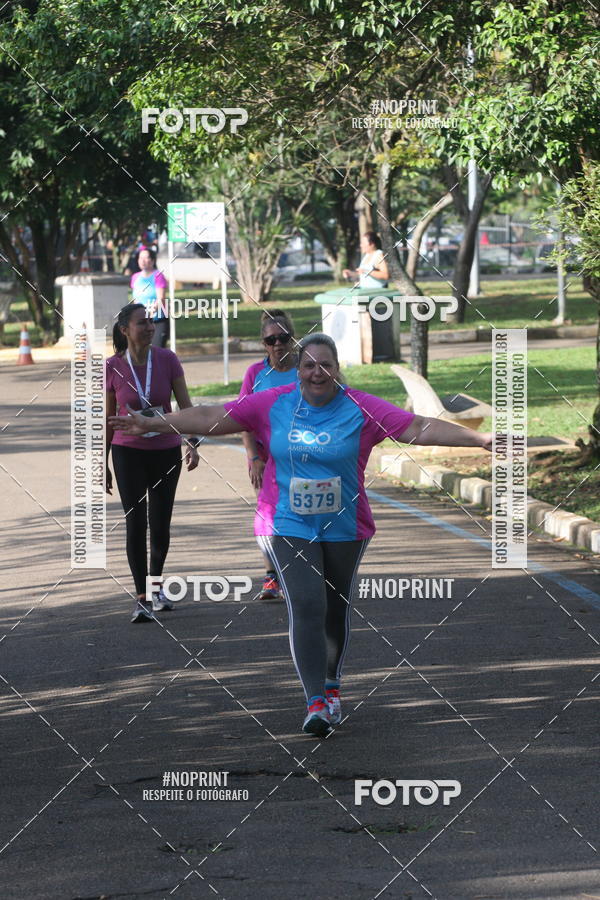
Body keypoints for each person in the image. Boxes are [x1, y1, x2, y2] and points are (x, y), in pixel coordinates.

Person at [110, 333, 492, 733]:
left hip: (345, 525)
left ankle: (331, 685)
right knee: (308, 604)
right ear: (298, 370)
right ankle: (315, 703)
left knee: (334, 608)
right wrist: (153, 423)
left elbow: (416, 426)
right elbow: (212, 416)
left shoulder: (360, 407)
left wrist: (481, 440)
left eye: (325, 364)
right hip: (286, 522)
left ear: (337, 368)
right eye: (309, 365)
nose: (317, 372)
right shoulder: (274, 403)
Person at [106, 303, 200, 623]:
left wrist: (191, 441)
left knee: (160, 523)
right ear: (124, 330)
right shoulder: (112, 366)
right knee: (136, 522)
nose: (150, 327)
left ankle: (156, 586)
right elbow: (109, 419)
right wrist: (101, 461)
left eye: (152, 322)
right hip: (127, 452)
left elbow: (185, 407)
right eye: (142, 323)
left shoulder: (168, 359)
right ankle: (142, 597)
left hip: (165, 449)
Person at [240, 308, 298, 600]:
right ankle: (271, 577)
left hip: (302, 454)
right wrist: (253, 458)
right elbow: (243, 419)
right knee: (268, 515)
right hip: (265, 458)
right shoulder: (255, 374)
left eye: (283, 338)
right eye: (270, 340)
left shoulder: (307, 369)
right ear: (263, 344)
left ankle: (300, 574)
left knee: (301, 512)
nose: (278, 344)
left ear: (293, 339)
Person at [130, 248, 169, 347]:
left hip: (157, 321)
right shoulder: (135, 277)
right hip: (141, 323)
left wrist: (150, 312)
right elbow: (135, 300)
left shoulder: (158, 276)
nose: (143, 260)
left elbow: (161, 299)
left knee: (156, 352)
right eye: (140, 258)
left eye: (146, 258)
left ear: (152, 260)